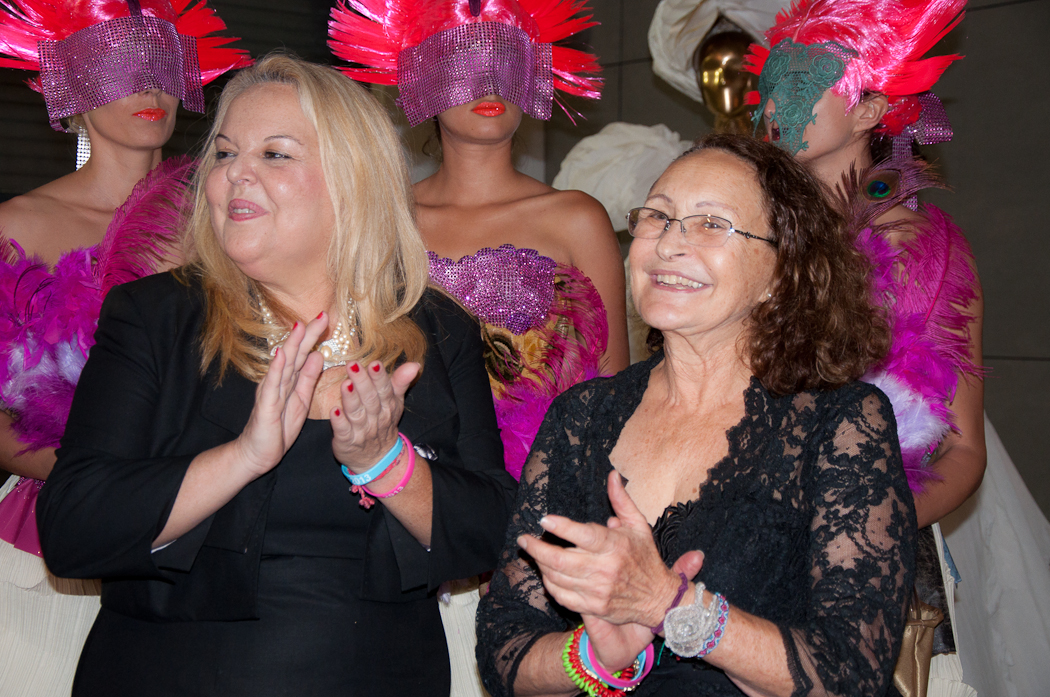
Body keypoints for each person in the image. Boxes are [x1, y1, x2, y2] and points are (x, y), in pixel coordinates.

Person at [36, 53, 517, 697]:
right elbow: (72, 530)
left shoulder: (436, 328)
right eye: (224, 153)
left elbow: (493, 534)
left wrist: (384, 465)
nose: (235, 174)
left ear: (353, 180)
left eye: (275, 154)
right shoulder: (155, 317)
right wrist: (243, 457)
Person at [476, 133, 916, 697]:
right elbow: (503, 649)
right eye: (657, 218)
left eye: (711, 224)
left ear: (782, 271)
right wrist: (595, 658)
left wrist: (671, 606)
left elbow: (851, 675)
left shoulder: (840, 422)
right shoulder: (581, 417)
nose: (667, 245)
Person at [745, 1, 1050, 693]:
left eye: (804, 82)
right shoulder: (732, 231)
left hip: (872, 574)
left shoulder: (923, 252)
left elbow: (963, 450)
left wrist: (856, 528)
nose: (777, 104)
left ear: (869, 109)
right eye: (772, 82)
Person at [0, 2, 248, 695]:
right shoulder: (16, 227)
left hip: (207, 549)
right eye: (119, 63)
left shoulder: (235, 225)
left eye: (163, 64)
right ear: (66, 78)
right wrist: (107, 485)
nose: (150, 87)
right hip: (43, 558)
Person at [329, 0, 629, 480]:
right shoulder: (381, 220)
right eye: (463, 58)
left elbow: (615, 397)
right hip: (407, 481)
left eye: (505, 58)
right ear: (421, 77)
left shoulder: (576, 220)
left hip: (545, 491)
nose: (489, 82)